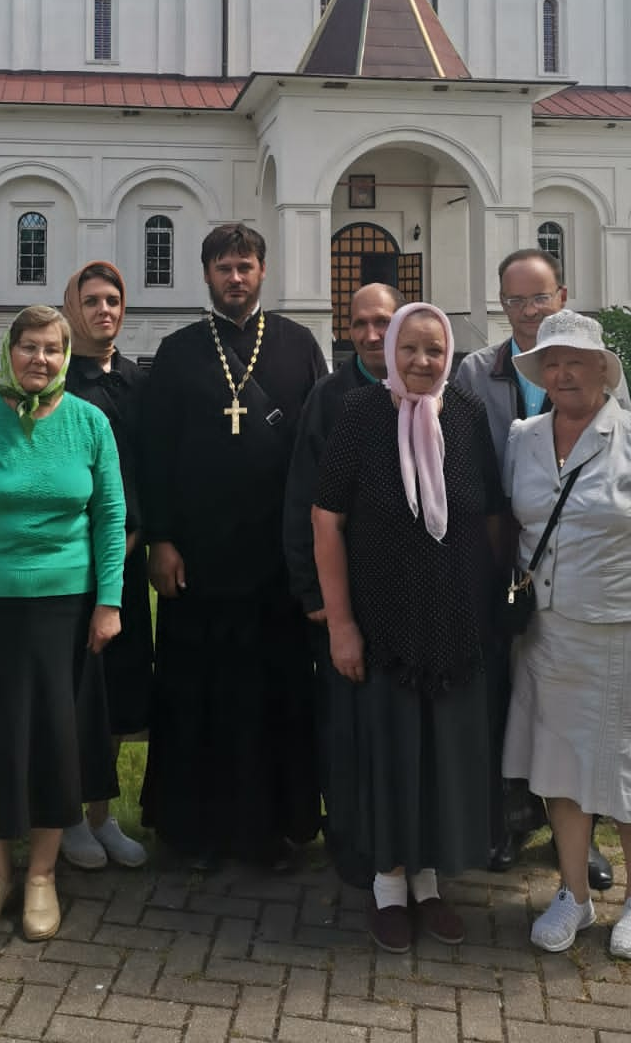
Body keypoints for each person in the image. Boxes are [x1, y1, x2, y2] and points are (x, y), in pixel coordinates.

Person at [0, 306, 126, 943]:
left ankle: (41, 876)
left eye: (51, 348)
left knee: (52, 743)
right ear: (9, 352)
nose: (39, 359)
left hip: (63, 611)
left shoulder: (91, 422)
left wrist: (110, 601)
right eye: (28, 347)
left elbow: (109, 517)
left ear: (66, 356)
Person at [503, 310, 631, 960]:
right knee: (559, 771)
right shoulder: (523, 437)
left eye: (575, 362)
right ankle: (575, 892)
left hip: (625, 635)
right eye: (551, 364)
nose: (562, 374)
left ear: (602, 370)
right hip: (551, 634)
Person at [312, 303, 504, 953]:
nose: (422, 361)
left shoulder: (468, 418)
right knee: (391, 755)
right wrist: (341, 623)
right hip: (384, 619)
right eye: (410, 349)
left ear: (448, 355)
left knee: (440, 754)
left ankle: (428, 883)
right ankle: (389, 885)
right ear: (391, 352)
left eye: (434, 350)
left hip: (454, 622)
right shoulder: (360, 418)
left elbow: (492, 515)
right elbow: (326, 520)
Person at [140, 223, 328, 869]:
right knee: (196, 692)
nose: (235, 278)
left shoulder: (299, 346)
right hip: (196, 560)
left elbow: (317, 451)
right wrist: (159, 539)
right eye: (223, 268)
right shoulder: (178, 351)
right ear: (207, 275)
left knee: (272, 693)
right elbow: (154, 454)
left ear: (263, 271)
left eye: (245, 266)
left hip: (275, 559)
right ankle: (189, 829)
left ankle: (271, 828)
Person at [455, 247, 629, 884]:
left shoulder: (602, 368)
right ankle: (506, 817)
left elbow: (623, 453)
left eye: (539, 297)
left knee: (577, 699)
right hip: (501, 556)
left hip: (582, 559)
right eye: (514, 300)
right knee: (506, 692)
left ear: (564, 295)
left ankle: (581, 837)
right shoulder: (476, 370)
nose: (527, 312)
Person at [283, 281, 404, 879]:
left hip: (412, 600)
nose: (371, 334)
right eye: (359, 323)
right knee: (345, 722)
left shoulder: (432, 391)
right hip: (342, 597)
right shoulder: (329, 397)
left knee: (403, 722)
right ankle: (352, 838)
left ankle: (407, 840)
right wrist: (313, 593)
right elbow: (303, 497)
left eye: (382, 320)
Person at [59, 262, 150, 871]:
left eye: (113, 300)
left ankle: (101, 815)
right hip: (68, 563)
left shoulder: (144, 381)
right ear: (72, 310)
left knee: (117, 689)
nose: (103, 311)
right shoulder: (55, 379)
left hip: (129, 560)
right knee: (71, 692)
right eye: (90, 301)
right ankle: (64, 816)